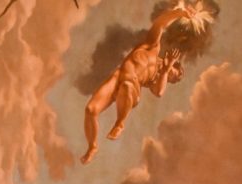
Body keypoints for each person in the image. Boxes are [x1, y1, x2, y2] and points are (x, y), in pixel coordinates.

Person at [81, 1, 214, 164]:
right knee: (90, 109)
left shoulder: (152, 79)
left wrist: (165, 71)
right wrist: (180, 14)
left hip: (131, 89)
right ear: (175, 65)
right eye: (174, 73)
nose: (171, 76)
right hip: (117, 77)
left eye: (172, 79)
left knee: (127, 85)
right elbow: (160, 23)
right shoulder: (152, 47)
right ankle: (92, 146)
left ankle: (120, 123)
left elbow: (159, 92)